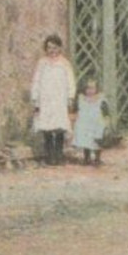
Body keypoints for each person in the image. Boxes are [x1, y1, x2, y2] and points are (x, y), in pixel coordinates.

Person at [29, 35, 76, 166]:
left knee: (59, 127)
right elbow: (36, 81)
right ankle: (50, 156)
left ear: (59, 48)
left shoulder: (65, 63)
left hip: (59, 99)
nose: (52, 50)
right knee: (48, 128)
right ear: (46, 49)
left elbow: (70, 81)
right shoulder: (42, 63)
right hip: (46, 99)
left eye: (54, 48)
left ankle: (59, 155)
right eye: (49, 48)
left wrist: (70, 97)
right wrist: (35, 97)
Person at [72, 78, 109, 166]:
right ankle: (86, 157)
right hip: (84, 123)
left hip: (97, 123)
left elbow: (105, 111)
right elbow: (76, 109)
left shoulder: (100, 99)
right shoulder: (81, 98)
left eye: (92, 88)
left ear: (96, 89)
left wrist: (106, 121)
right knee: (86, 140)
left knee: (96, 141)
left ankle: (97, 158)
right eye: (88, 88)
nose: (90, 91)